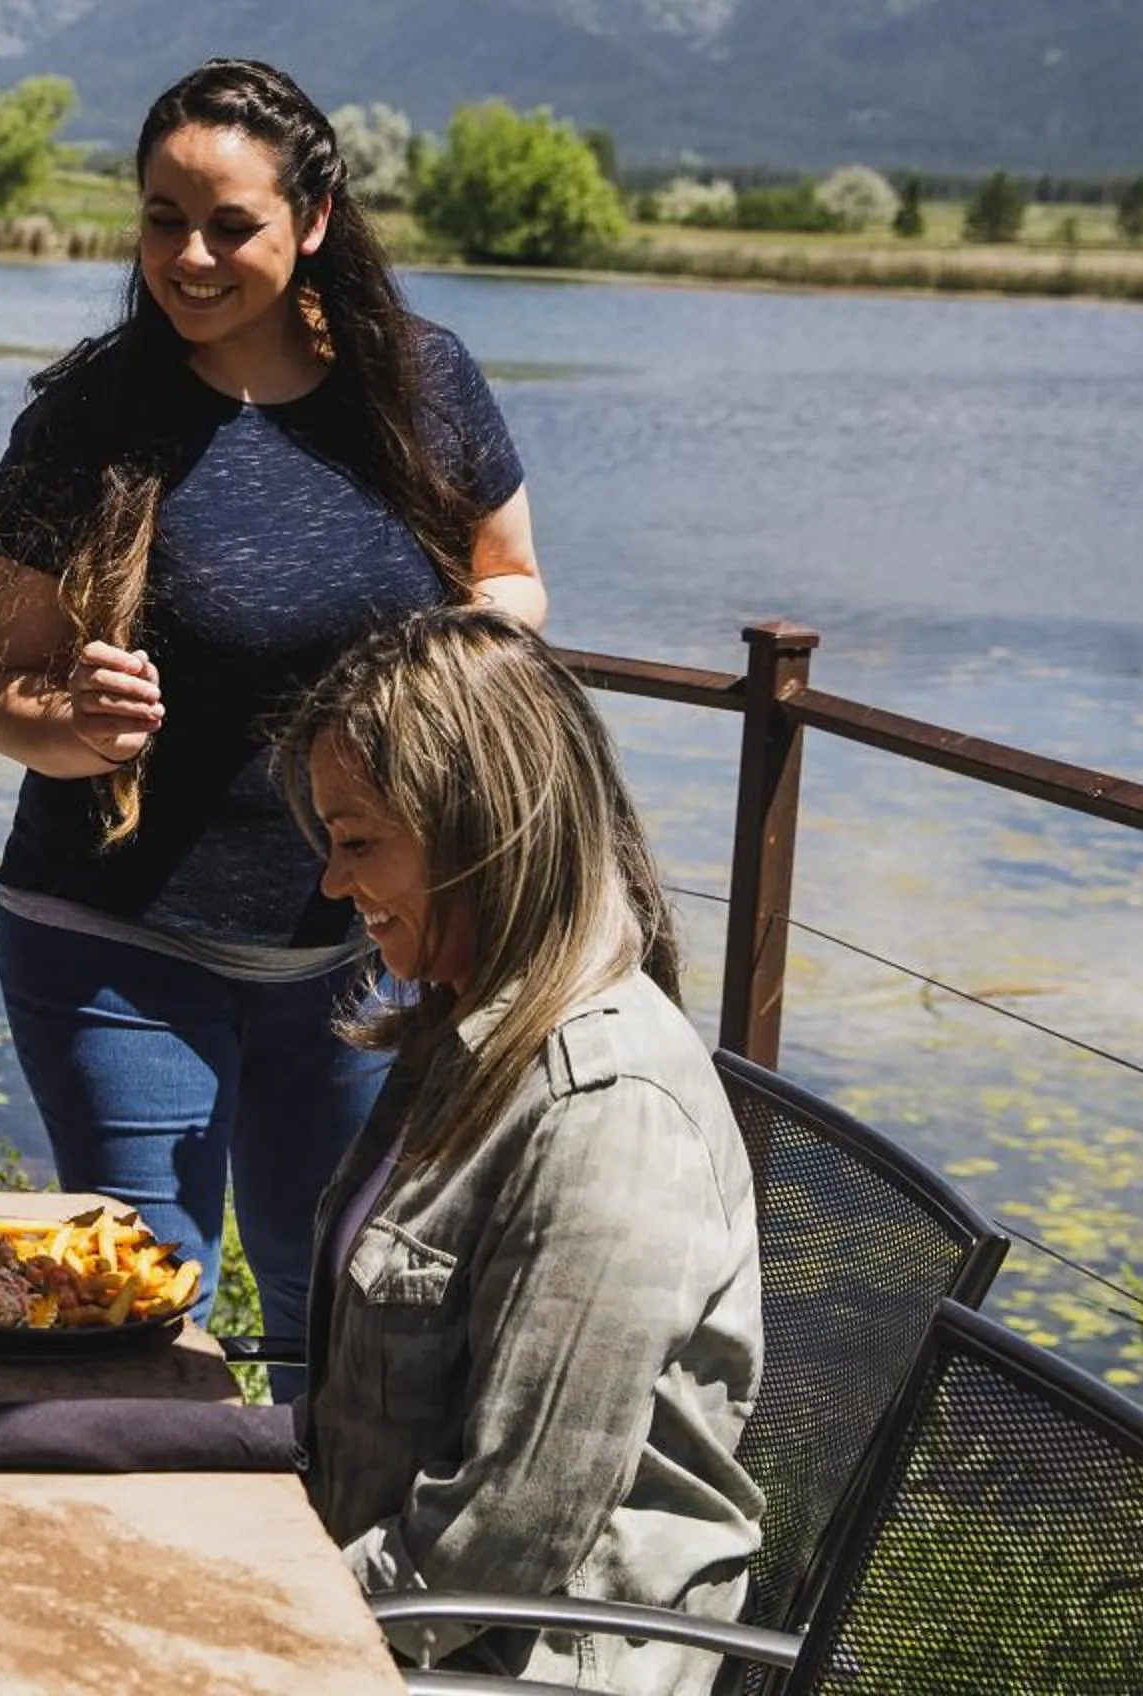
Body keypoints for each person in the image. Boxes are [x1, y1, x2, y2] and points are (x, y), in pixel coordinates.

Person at [0, 57, 543, 1352]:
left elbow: (511, 578)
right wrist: (78, 724)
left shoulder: (423, 384)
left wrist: (455, 664)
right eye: (164, 220)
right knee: (143, 1312)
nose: (191, 257)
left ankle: (310, 1558)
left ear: (316, 219)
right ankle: (125, 1552)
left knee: (331, 1320)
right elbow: (4, 694)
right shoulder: (87, 417)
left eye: (232, 225)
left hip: (360, 949)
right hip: (110, 941)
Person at [282, 606, 762, 1689]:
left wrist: (253, 1618)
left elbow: (506, 1529)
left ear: (480, 826)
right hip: (395, 1608)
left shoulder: (606, 1109)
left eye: (358, 841)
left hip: (509, 1659)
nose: (331, 881)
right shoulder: (466, 1020)